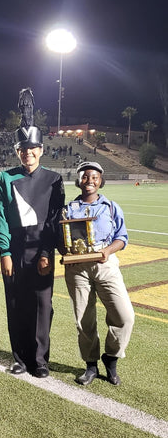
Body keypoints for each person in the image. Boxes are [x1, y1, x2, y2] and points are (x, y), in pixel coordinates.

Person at [0, 88, 65, 378]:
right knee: (16, 305)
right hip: (16, 250)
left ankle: (40, 360)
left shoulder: (54, 179)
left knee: (42, 307)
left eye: (32, 149)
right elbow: (0, 216)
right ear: (17, 152)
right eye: (22, 150)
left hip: (42, 252)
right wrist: (6, 253)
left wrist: (47, 252)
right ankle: (20, 358)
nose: (27, 153)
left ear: (41, 150)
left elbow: (55, 219)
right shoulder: (6, 177)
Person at [63, 161, 135, 386]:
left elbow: (122, 238)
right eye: (85, 177)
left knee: (125, 316)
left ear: (100, 180)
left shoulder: (111, 207)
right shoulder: (68, 209)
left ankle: (111, 358)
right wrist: (66, 251)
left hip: (105, 263)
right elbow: (60, 237)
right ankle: (91, 365)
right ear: (79, 180)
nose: (89, 181)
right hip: (77, 268)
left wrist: (107, 251)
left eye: (94, 177)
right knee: (84, 320)